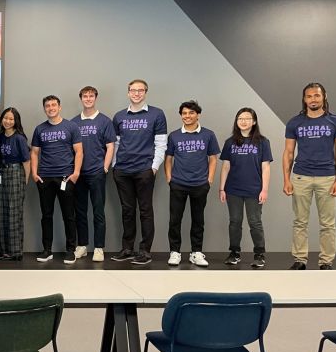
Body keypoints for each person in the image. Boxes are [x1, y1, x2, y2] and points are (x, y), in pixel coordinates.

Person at [283, 82, 336, 270]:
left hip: (327, 177)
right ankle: (300, 260)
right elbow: (288, 152)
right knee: (300, 221)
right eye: (309, 96)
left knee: (328, 224)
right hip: (301, 176)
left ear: (324, 96)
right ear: (304, 99)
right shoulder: (295, 122)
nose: (313, 99)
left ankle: (326, 261)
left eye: (317, 95)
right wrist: (286, 179)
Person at [111, 79, 167, 266]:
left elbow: (161, 144)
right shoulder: (119, 116)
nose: (136, 93)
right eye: (133, 90)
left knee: (145, 211)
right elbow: (116, 144)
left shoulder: (157, 114)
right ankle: (127, 249)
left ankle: (144, 251)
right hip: (122, 170)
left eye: (140, 90)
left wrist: (154, 167)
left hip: (144, 169)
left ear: (146, 92)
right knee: (127, 211)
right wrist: (114, 165)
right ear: (128, 93)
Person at [164, 101, 220, 268]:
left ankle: (196, 252)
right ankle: (175, 252)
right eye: (184, 113)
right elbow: (168, 159)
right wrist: (169, 177)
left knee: (198, 220)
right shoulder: (174, 135)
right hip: (178, 183)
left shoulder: (208, 135)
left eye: (191, 113)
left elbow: (213, 158)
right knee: (175, 219)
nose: (187, 116)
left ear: (198, 115)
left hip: (200, 184)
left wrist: (209, 179)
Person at [30, 95, 83, 263]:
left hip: (65, 177)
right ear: (44, 108)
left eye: (54, 105)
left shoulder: (71, 126)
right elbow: (34, 152)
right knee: (46, 215)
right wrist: (34, 173)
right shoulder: (40, 129)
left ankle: (70, 250)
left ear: (59, 107)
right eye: (47, 105)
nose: (51, 108)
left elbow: (79, 151)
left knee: (69, 215)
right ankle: (47, 250)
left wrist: (76, 173)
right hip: (45, 177)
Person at [219, 107, 272, 269]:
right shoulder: (230, 142)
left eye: (247, 118)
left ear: (254, 121)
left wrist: (264, 189)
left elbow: (266, 168)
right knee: (235, 222)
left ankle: (259, 254)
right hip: (233, 189)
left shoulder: (263, 142)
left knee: (255, 222)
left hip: (254, 190)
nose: (243, 121)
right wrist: (222, 188)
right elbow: (226, 167)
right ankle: (234, 253)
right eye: (240, 118)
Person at [71, 86, 116, 263]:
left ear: (95, 98)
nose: (88, 99)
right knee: (80, 211)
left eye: (91, 96)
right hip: (79, 174)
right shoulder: (74, 122)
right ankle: (82, 246)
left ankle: (98, 248)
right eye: (85, 96)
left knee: (98, 212)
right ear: (81, 98)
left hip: (97, 172)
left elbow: (111, 146)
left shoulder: (105, 121)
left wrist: (105, 167)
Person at [0, 107, 30, 260]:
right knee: (2, 212)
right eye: (5, 118)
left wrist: (24, 183)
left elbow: (27, 162)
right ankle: (5, 250)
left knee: (14, 214)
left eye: (11, 119)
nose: (8, 121)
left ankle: (16, 252)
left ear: (16, 121)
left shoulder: (19, 138)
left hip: (16, 174)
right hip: (2, 173)